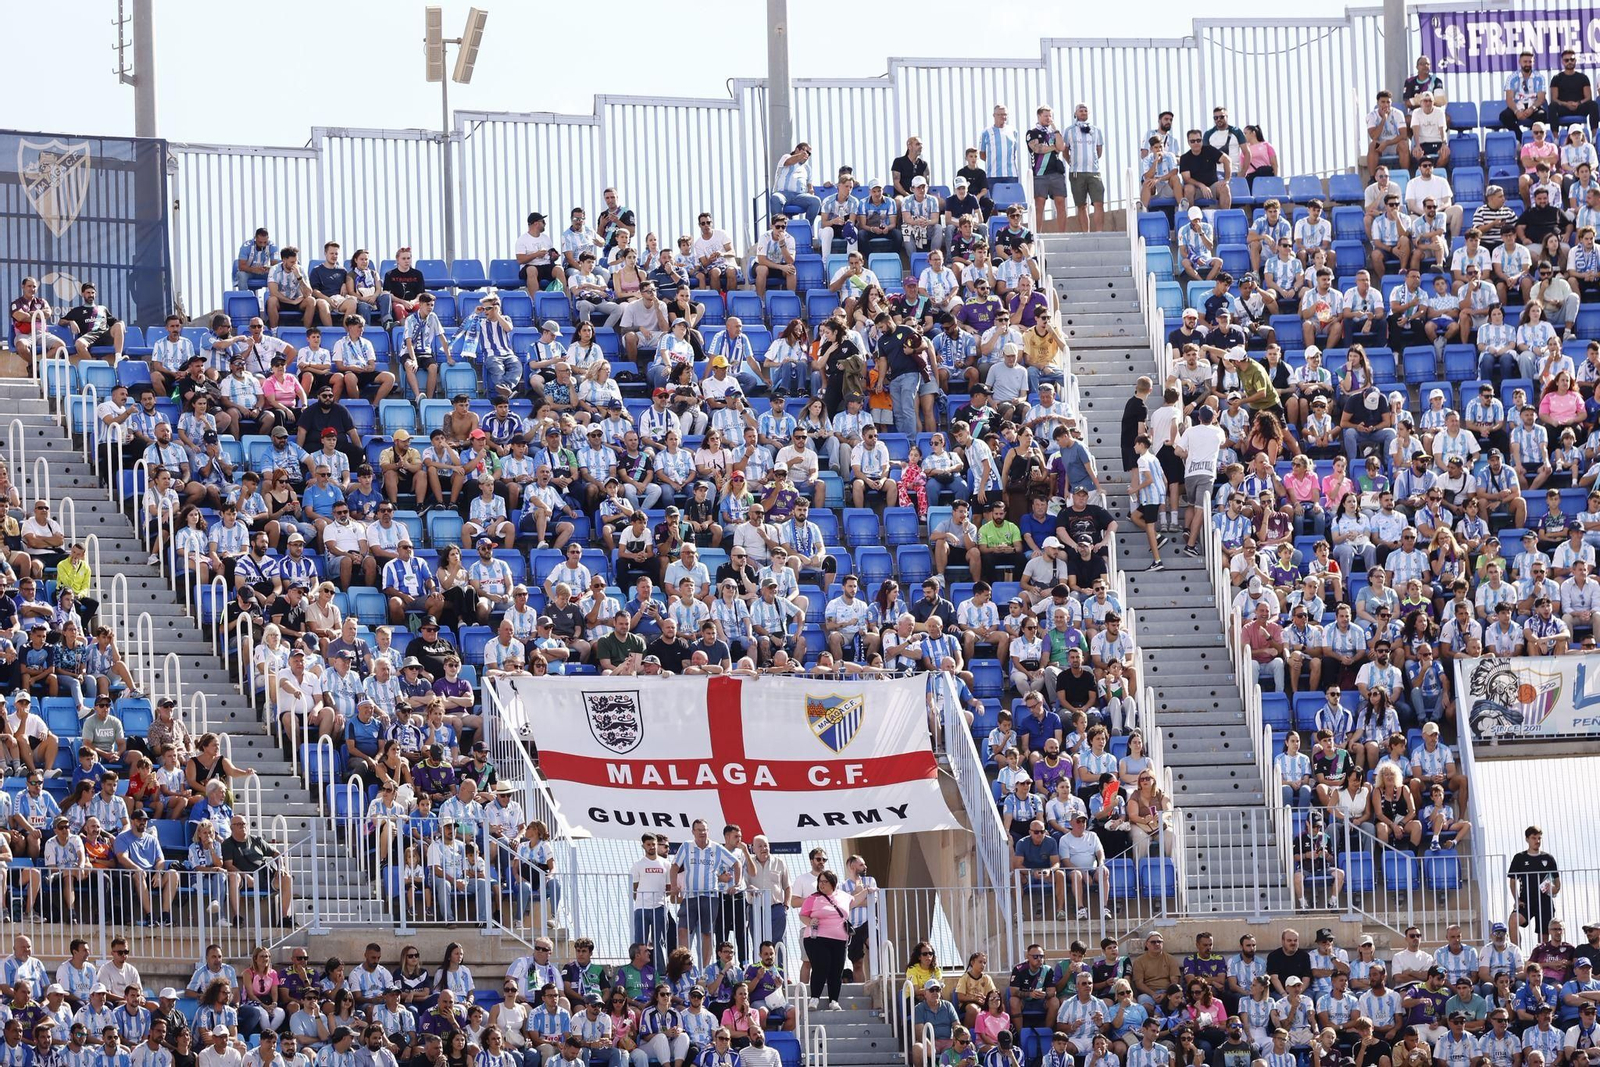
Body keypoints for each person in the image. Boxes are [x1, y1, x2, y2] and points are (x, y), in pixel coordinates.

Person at [798, 871, 851, 1012]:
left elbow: (856, 899)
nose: (821, 884)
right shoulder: (812, 898)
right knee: (822, 965)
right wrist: (810, 921)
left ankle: (834, 1000)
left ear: (833, 882)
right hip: (816, 938)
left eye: (825, 881)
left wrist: (868, 891)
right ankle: (814, 998)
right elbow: (802, 915)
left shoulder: (843, 896)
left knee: (836, 969)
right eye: (820, 881)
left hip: (840, 939)